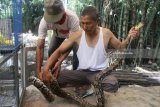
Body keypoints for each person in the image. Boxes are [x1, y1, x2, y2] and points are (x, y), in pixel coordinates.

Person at [41, 6, 139, 96]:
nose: (84, 27)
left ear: (97, 21)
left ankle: (87, 86)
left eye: (88, 23)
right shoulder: (77, 35)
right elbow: (58, 51)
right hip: (81, 73)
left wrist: (129, 37)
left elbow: (120, 47)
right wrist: (46, 69)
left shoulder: (106, 33)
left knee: (112, 84)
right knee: (54, 79)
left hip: (100, 74)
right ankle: (86, 85)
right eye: (82, 23)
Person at [36, 0, 80, 79]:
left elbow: (70, 43)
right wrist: (38, 71)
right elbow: (40, 47)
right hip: (57, 36)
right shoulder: (44, 21)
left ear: (63, 13)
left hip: (73, 39)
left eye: (56, 18)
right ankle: (52, 75)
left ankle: (76, 75)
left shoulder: (73, 18)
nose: (53, 21)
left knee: (78, 51)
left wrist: (60, 61)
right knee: (51, 51)